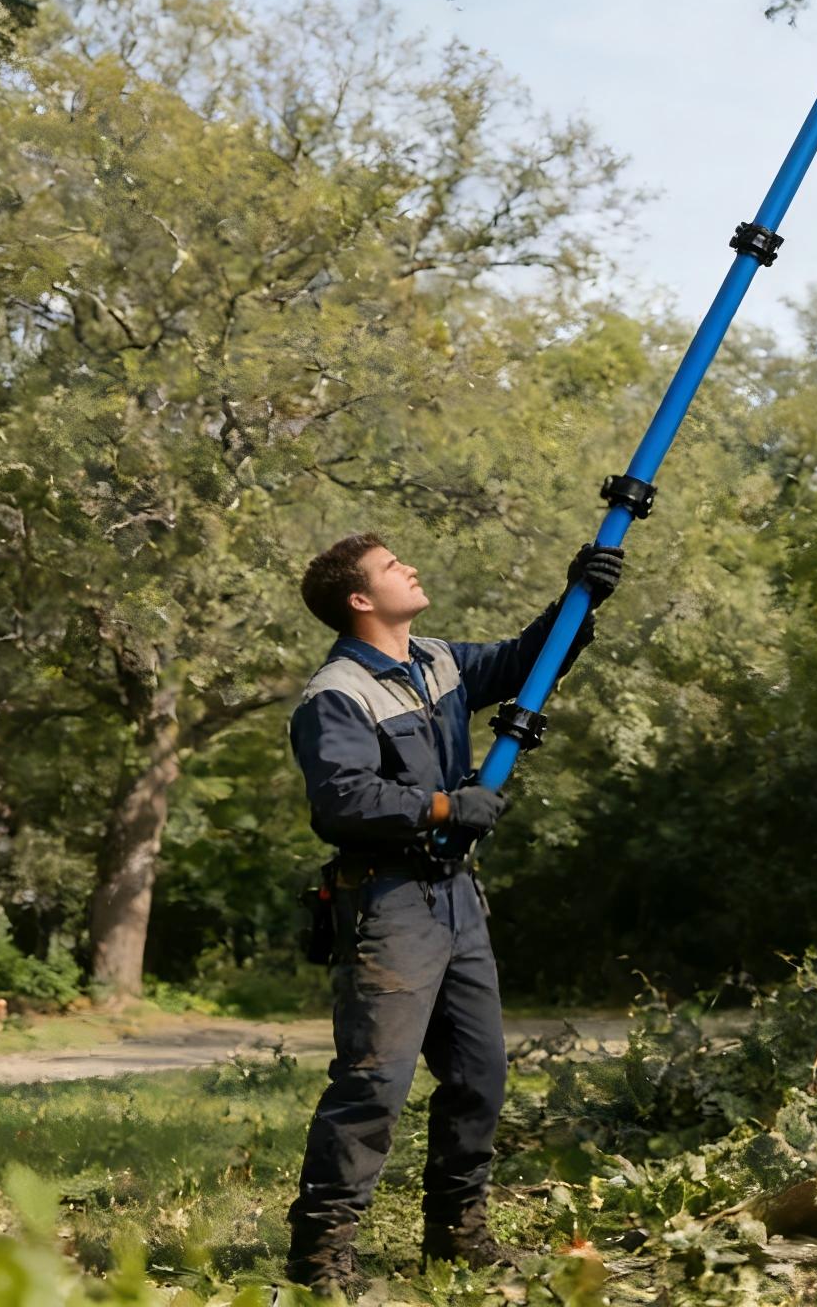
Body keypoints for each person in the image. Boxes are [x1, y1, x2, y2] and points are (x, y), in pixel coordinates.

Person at [283, 531, 623, 1291]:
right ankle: (321, 1253)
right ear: (360, 600)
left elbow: (521, 663)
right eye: (390, 566)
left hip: (456, 896)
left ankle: (456, 1234)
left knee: (480, 1074)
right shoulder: (336, 692)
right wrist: (443, 804)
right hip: (388, 900)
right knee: (375, 1081)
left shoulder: (436, 660)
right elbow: (341, 801)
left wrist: (580, 598)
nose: (409, 566)